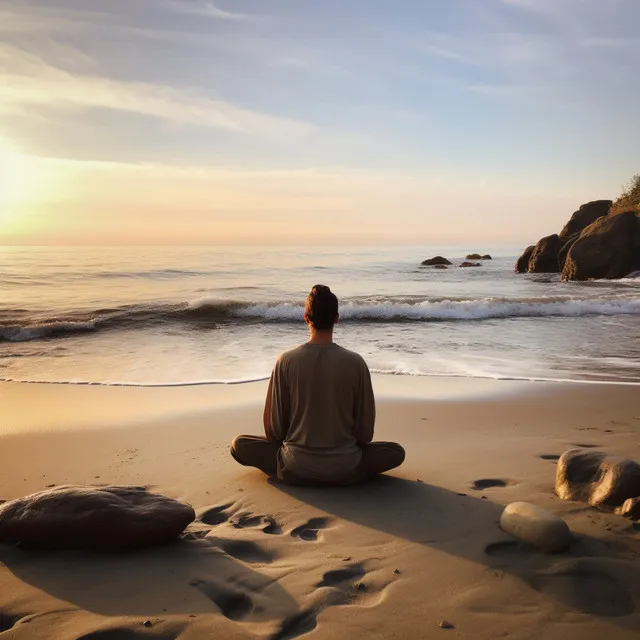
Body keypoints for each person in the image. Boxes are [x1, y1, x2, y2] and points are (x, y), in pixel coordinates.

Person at [230, 284, 405, 485]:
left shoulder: (286, 361)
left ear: (306, 317)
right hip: (347, 468)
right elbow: (365, 435)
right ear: (337, 318)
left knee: (239, 445)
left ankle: (296, 470)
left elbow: (274, 432)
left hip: (295, 467)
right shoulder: (356, 362)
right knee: (395, 452)